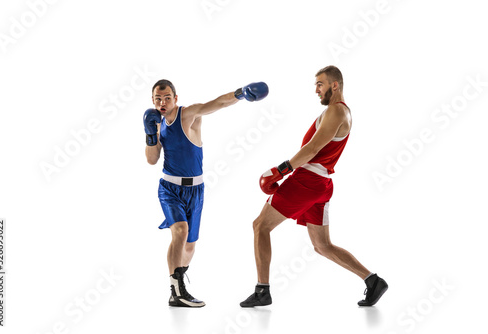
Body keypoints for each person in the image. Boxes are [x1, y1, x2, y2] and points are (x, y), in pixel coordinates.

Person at [240, 66, 388, 308]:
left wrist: (280, 170)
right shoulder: (341, 112)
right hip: (321, 184)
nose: (316, 90)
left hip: (307, 181)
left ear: (335, 85)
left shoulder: (336, 112)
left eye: (320, 84)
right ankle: (373, 281)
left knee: (260, 226)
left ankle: (262, 290)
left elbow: (312, 150)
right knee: (322, 245)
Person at [144, 79, 268, 308]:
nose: (162, 102)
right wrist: (150, 134)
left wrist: (240, 93)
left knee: (189, 245)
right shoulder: (156, 124)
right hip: (169, 188)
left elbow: (218, 103)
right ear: (153, 100)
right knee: (179, 231)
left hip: (196, 190)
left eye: (167, 98)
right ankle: (176, 291)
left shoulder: (188, 115)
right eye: (158, 99)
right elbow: (152, 160)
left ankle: (178, 277)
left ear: (175, 98)